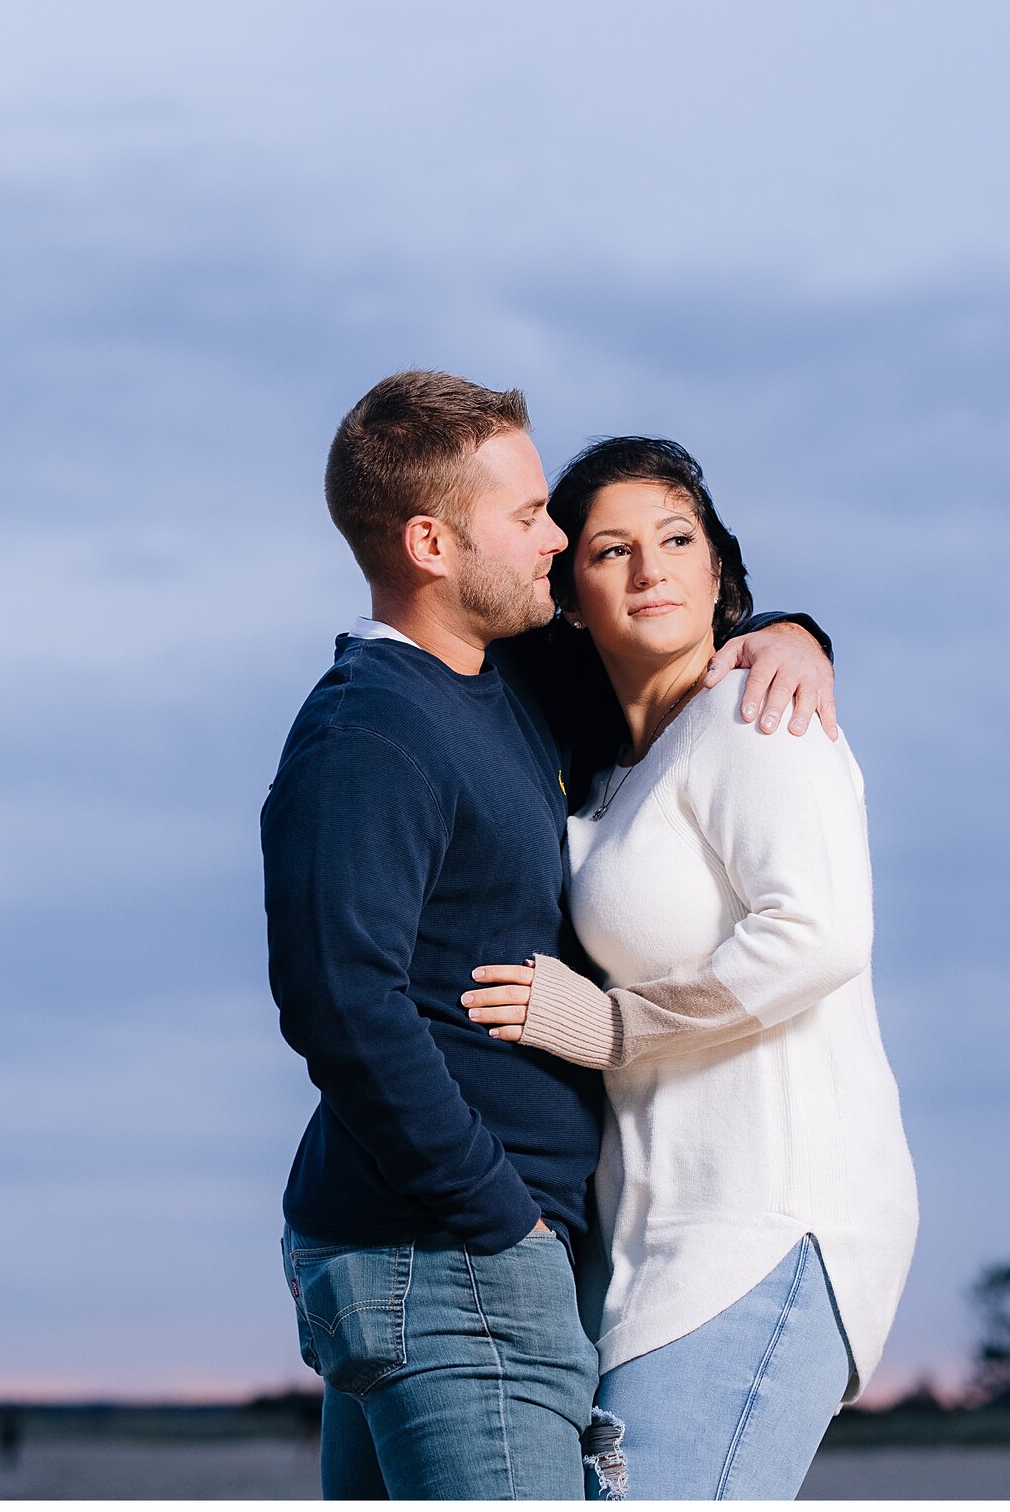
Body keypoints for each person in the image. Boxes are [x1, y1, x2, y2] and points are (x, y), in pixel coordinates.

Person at [265, 374, 837, 1499]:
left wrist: (792, 634)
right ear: (431, 542)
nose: (559, 537)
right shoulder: (368, 731)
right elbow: (339, 1000)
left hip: (452, 1251)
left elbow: (660, 631)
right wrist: (499, 1217)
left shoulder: (501, 693)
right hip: (453, 1259)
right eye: (527, 515)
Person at [461, 436, 918, 1500]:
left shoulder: (758, 712)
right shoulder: (603, 778)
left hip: (771, 1218)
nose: (650, 568)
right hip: (652, 1241)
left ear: (720, 569)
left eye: (677, 539)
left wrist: (616, 1026)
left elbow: (817, 935)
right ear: (568, 592)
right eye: (610, 550)